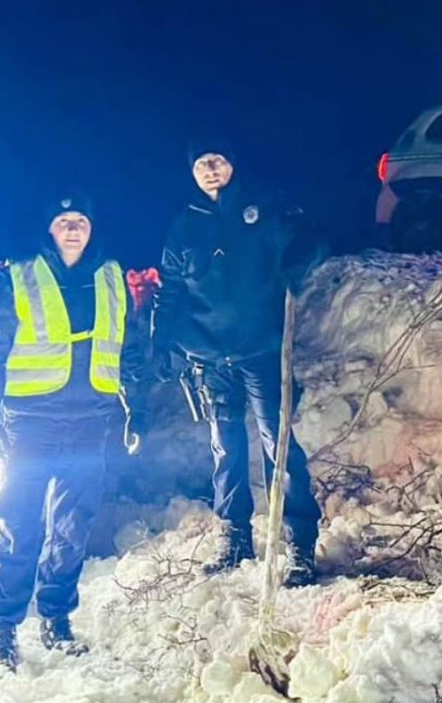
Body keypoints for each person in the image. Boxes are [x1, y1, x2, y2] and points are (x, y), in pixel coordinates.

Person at [0, 192, 146, 675]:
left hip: (91, 419)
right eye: (63, 221)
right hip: (31, 423)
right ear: (49, 229)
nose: (73, 229)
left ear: (92, 228)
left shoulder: (112, 276)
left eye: (81, 221)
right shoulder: (19, 276)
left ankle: (56, 618)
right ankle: (2, 628)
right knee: (19, 525)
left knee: (73, 527)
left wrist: (138, 409)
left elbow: (130, 349)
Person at [151, 137, 328, 588]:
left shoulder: (264, 206)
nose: (210, 169)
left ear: (233, 163)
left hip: (261, 349)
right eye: (201, 163)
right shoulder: (183, 225)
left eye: (218, 160)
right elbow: (170, 289)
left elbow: (312, 240)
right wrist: (161, 341)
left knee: (278, 444)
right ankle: (234, 535)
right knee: (226, 447)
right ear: (192, 172)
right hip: (209, 358)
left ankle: (299, 542)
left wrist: (295, 266)